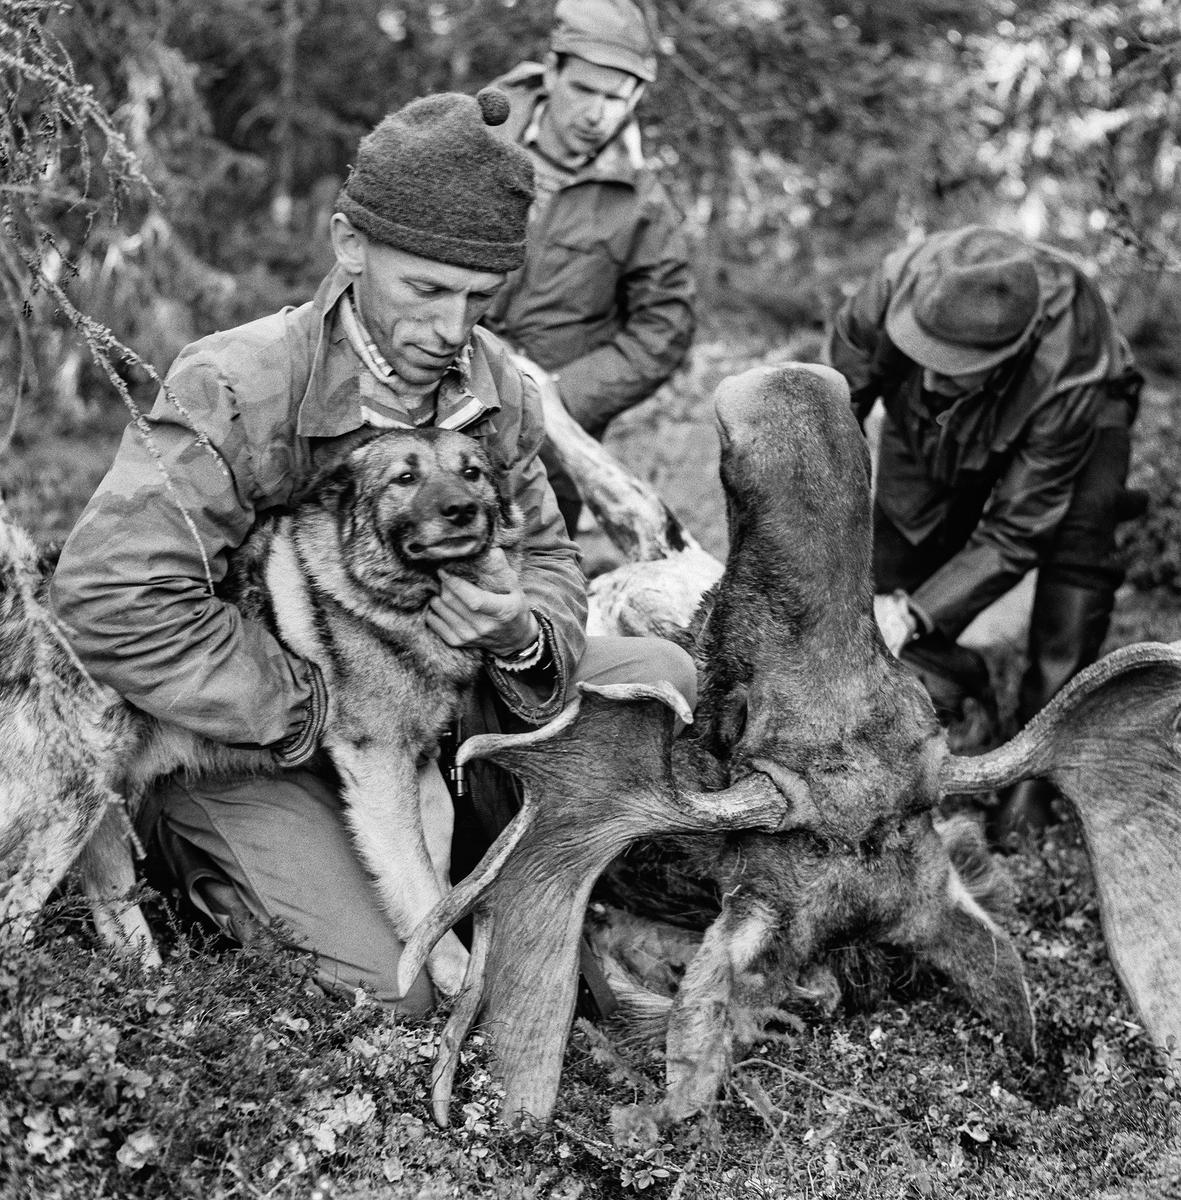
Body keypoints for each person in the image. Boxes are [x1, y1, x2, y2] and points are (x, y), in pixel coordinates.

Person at [50, 88, 695, 1011]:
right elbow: (110, 601)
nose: (449, 329)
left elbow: (548, 556)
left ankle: (533, 876)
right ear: (350, 245)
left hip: (429, 701)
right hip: (244, 741)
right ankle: (222, 865)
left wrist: (521, 634)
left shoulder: (495, 385)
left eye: (478, 297)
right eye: (424, 289)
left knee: (657, 675)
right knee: (400, 996)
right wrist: (306, 702)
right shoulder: (240, 382)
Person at [826, 225, 1143, 842]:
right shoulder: (889, 294)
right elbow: (824, 414)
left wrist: (914, 616)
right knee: (893, 570)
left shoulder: (1068, 363)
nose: (936, 378)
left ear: (1012, 355)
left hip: (1086, 409)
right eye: (928, 356)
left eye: (957, 369)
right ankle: (948, 683)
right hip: (927, 434)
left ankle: (1035, 774)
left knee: (1076, 557)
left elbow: (1018, 529)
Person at [481, 0, 695, 538]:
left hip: (548, 446)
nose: (596, 115)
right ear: (552, 71)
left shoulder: (644, 203)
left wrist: (562, 396)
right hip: (431, 402)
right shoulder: (473, 137)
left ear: (637, 99)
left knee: (530, 582)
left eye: (615, 98)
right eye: (584, 90)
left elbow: (663, 328)